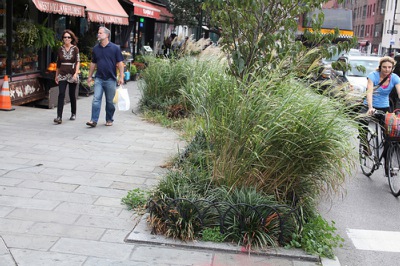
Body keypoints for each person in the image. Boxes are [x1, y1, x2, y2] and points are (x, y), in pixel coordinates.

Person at [360, 56, 400, 165]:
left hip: (384, 106)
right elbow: (369, 92)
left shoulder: (395, 78)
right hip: (370, 105)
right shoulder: (373, 76)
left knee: (390, 133)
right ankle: (365, 145)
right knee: (362, 122)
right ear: (380, 67)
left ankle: (387, 162)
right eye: (384, 67)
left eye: (389, 67)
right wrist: (370, 107)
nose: (387, 69)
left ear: (392, 68)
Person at [86, 26, 125, 127]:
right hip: (99, 78)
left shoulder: (115, 48)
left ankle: (109, 119)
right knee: (96, 99)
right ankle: (93, 120)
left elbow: (120, 63)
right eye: (98, 33)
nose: (98, 35)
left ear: (107, 35)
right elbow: (93, 63)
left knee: (110, 102)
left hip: (111, 79)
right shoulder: (96, 48)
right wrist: (90, 76)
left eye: (100, 33)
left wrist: (121, 77)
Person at [54, 29, 80, 124]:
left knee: (72, 94)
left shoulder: (75, 49)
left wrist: (76, 73)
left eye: (69, 37)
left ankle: (73, 113)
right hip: (62, 73)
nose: (67, 39)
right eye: (65, 37)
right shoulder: (60, 49)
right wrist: (56, 75)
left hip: (72, 73)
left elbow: (77, 62)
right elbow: (58, 63)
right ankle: (59, 116)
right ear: (63, 39)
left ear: (71, 38)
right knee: (61, 93)